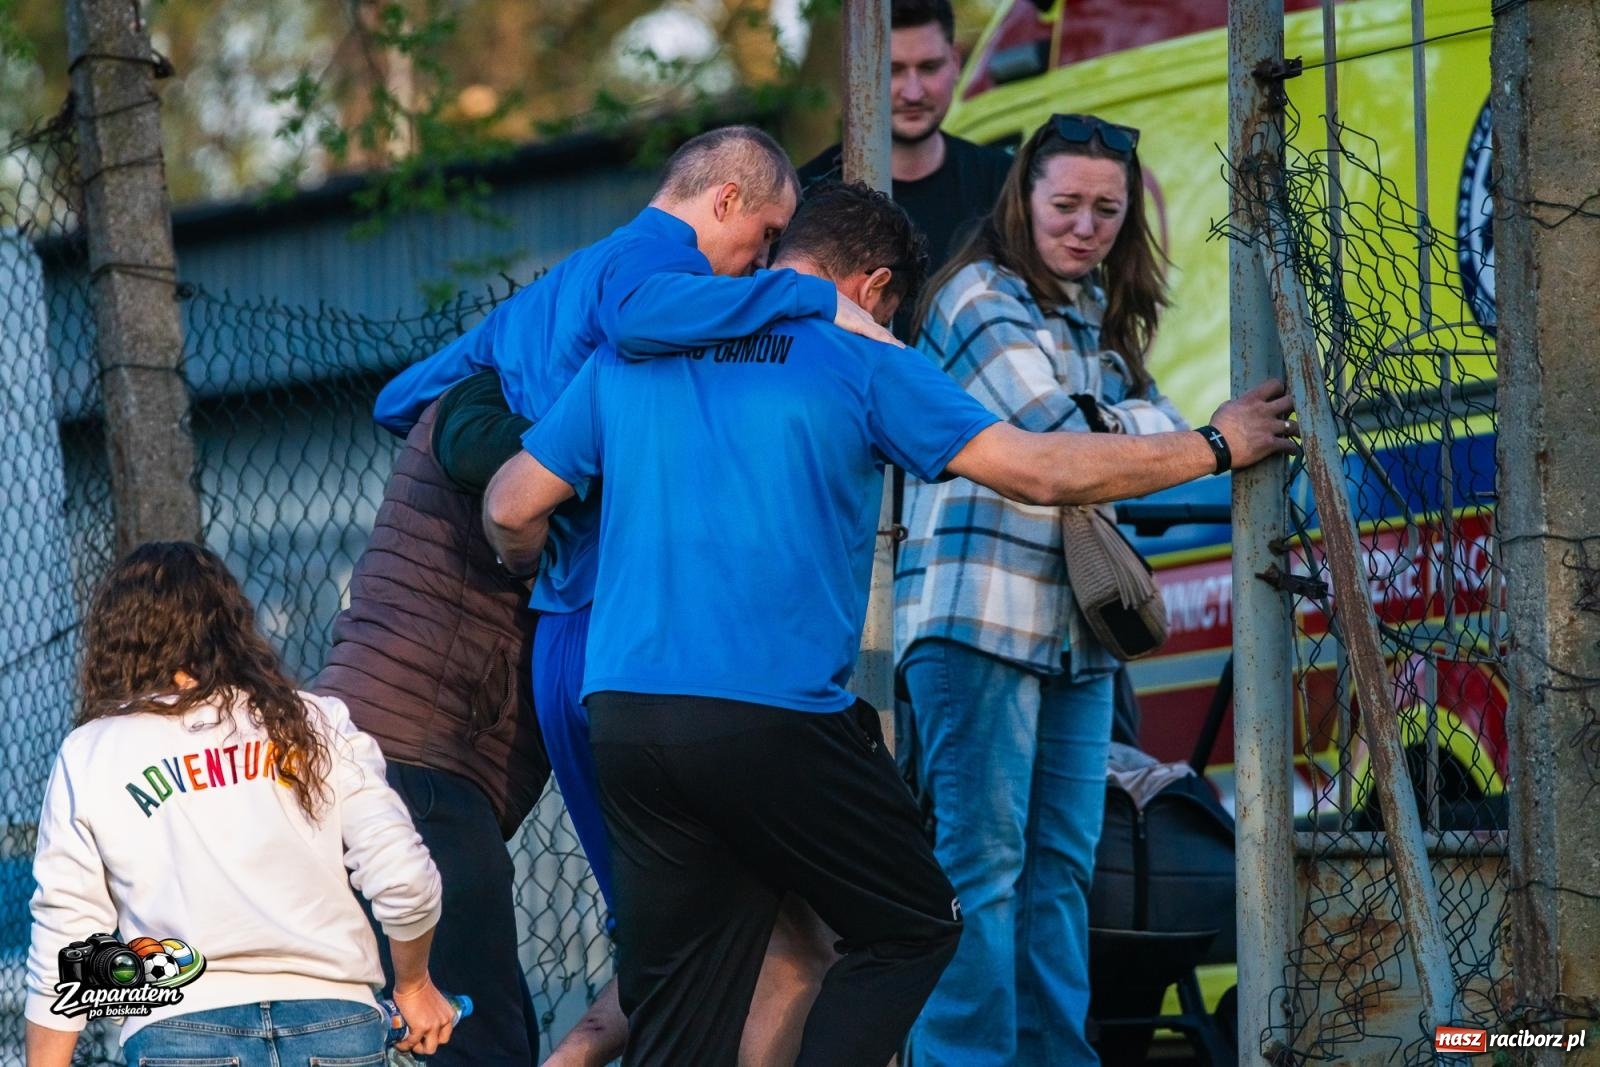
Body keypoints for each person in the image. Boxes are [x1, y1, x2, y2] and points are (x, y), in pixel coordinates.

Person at [480, 181, 1296, 1066]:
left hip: (627, 714)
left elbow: (512, 505)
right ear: (872, 288)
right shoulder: (859, 353)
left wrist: (532, 571)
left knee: (687, 992)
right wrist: (1216, 445)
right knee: (913, 923)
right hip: (776, 712)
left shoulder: (637, 354)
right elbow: (1039, 470)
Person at [372, 125, 880, 1066]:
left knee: (683, 939)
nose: (759, 262)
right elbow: (645, 319)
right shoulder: (655, 262)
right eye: (764, 236)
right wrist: (810, 298)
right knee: (747, 944)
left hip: (579, 649)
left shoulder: (557, 289)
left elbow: (402, 397)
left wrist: (540, 455)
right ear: (723, 201)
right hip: (631, 641)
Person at [894, 113, 1195, 1066]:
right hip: (980, 619)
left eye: (1108, 208)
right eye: (1065, 203)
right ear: (1021, 200)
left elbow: (1157, 432)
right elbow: (1054, 433)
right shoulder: (976, 293)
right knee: (980, 872)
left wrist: (1132, 433)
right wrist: (1139, 433)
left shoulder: (1090, 308)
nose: (1086, 225)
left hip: (1075, 630)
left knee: (1062, 871)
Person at [24, 542, 453, 1067]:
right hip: (335, 1023)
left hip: (178, 1032)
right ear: (230, 624)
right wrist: (414, 986)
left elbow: (68, 938)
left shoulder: (92, 752)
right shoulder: (315, 722)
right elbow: (405, 879)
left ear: (118, 639)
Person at [313, 373, 551, 1067]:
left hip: (382, 758)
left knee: (451, 1025)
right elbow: (482, 461)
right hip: (415, 765)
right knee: (475, 1039)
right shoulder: (491, 397)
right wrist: (600, 438)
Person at [798, 0, 1012, 291]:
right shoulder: (805, 197)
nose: (913, 92)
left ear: (955, 62)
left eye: (929, 67)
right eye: (892, 70)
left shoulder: (1005, 185)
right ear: (859, 71)